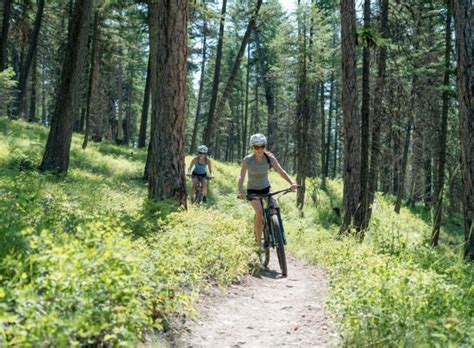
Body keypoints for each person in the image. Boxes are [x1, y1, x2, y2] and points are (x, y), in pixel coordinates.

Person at [237, 134, 297, 250]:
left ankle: (278, 233)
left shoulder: (270, 158)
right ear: (252, 147)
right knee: (259, 212)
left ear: (265, 146)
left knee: (274, 207)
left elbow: (281, 171)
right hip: (253, 190)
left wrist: (292, 182)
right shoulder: (247, 160)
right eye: (256, 147)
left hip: (266, 188)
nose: (259, 149)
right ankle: (259, 242)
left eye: (262, 146)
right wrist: (240, 191)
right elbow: (241, 177)